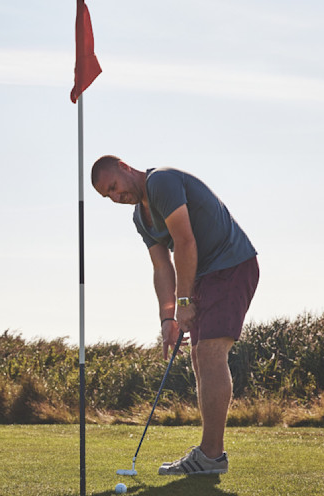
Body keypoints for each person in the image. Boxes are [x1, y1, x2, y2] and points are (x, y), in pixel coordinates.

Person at [91, 155, 259, 475]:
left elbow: (184, 242)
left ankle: (211, 456)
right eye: (106, 196)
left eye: (113, 187)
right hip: (203, 276)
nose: (115, 197)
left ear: (126, 168)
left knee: (210, 353)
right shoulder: (141, 219)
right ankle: (210, 454)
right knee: (199, 356)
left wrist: (183, 301)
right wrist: (168, 318)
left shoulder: (161, 182)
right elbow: (161, 267)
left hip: (230, 265)